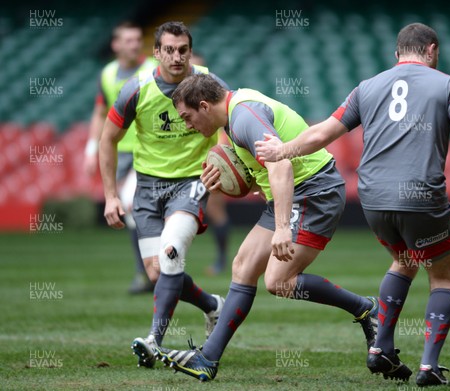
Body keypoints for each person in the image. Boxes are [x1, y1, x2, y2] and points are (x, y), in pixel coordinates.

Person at [256, 23, 450, 386]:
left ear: (397, 55)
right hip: (421, 196)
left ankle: (381, 347)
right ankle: (429, 367)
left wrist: (281, 149)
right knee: (444, 275)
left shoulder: (368, 87)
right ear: (432, 50)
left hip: (372, 198)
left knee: (405, 260)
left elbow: (322, 132)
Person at [153, 74, 379, 382]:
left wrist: (283, 228)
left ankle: (366, 309)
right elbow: (253, 175)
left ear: (204, 106)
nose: (188, 125)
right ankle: (207, 359)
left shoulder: (244, 117)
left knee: (278, 280)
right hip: (290, 195)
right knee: (243, 266)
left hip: (315, 190)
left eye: (187, 117)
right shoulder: (229, 121)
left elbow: (282, 165)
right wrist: (222, 181)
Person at [99, 21, 227, 369]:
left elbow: (229, 118)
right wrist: (111, 196)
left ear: (189, 50)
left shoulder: (206, 81)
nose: (176, 56)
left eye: (182, 49)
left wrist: (225, 160)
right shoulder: (135, 89)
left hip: (190, 182)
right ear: (155, 53)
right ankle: (214, 306)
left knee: (171, 250)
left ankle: (155, 340)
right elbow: (107, 138)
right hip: (147, 188)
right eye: (168, 49)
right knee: (158, 272)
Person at [84, 21, 157, 294]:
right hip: (116, 150)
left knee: (129, 203)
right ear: (115, 45)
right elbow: (101, 113)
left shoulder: (152, 69)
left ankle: (151, 272)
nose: (134, 44)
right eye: (128, 40)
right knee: (132, 213)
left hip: (145, 151)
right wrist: (92, 149)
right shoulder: (108, 73)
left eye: (137, 39)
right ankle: (149, 271)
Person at [189, 53, 231, 276]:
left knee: (215, 210)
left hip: (211, 160)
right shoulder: (181, 99)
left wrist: (221, 157)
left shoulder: (212, 97)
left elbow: (225, 125)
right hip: (185, 163)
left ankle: (222, 260)